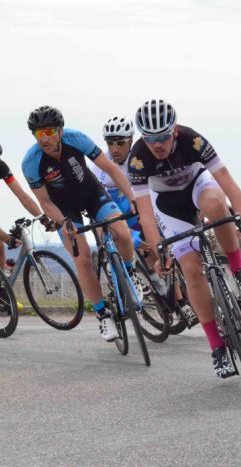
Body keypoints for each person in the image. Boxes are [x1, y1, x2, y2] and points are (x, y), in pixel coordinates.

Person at [128, 99, 241, 379]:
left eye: (163, 137)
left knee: (216, 206)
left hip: (198, 186)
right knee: (190, 268)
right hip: (168, 206)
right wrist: (161, 252)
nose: (157, 144)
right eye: (150, 139)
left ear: (174, 130)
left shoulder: (192, 140)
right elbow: (147, 216)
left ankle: (239, 271)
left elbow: (229, 183)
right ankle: (217, 347)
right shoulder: (137, 159)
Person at [22, 105, 141, 342]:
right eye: (39, 134)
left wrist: (132, 197)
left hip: (91, 194)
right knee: (83, 259)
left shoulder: (76, 139)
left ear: (60, 130)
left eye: (49, 132)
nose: (44, 139)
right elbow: (45, 201)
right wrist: (63, 221)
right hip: (63, 210)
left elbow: (110, 168)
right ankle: (103, 315)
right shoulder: (31, 162)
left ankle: (129, 272)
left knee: (122, 233)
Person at [91, 115, 197, 325]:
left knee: (158, 250)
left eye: (120, 142)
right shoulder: (100, 169)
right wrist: (130, 235)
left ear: (131, 140)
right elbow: (98, 208)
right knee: (125, 243)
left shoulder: (139, 159)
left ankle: (180, 301)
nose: (114, 148)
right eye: (110, 143)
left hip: (140, 211)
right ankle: (130, 285)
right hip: (114, 216)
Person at [0, 144, 55, 309]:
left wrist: (42, 217)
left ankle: (2, 295)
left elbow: (22, 195)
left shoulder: (2, 167)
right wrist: (6, 237)